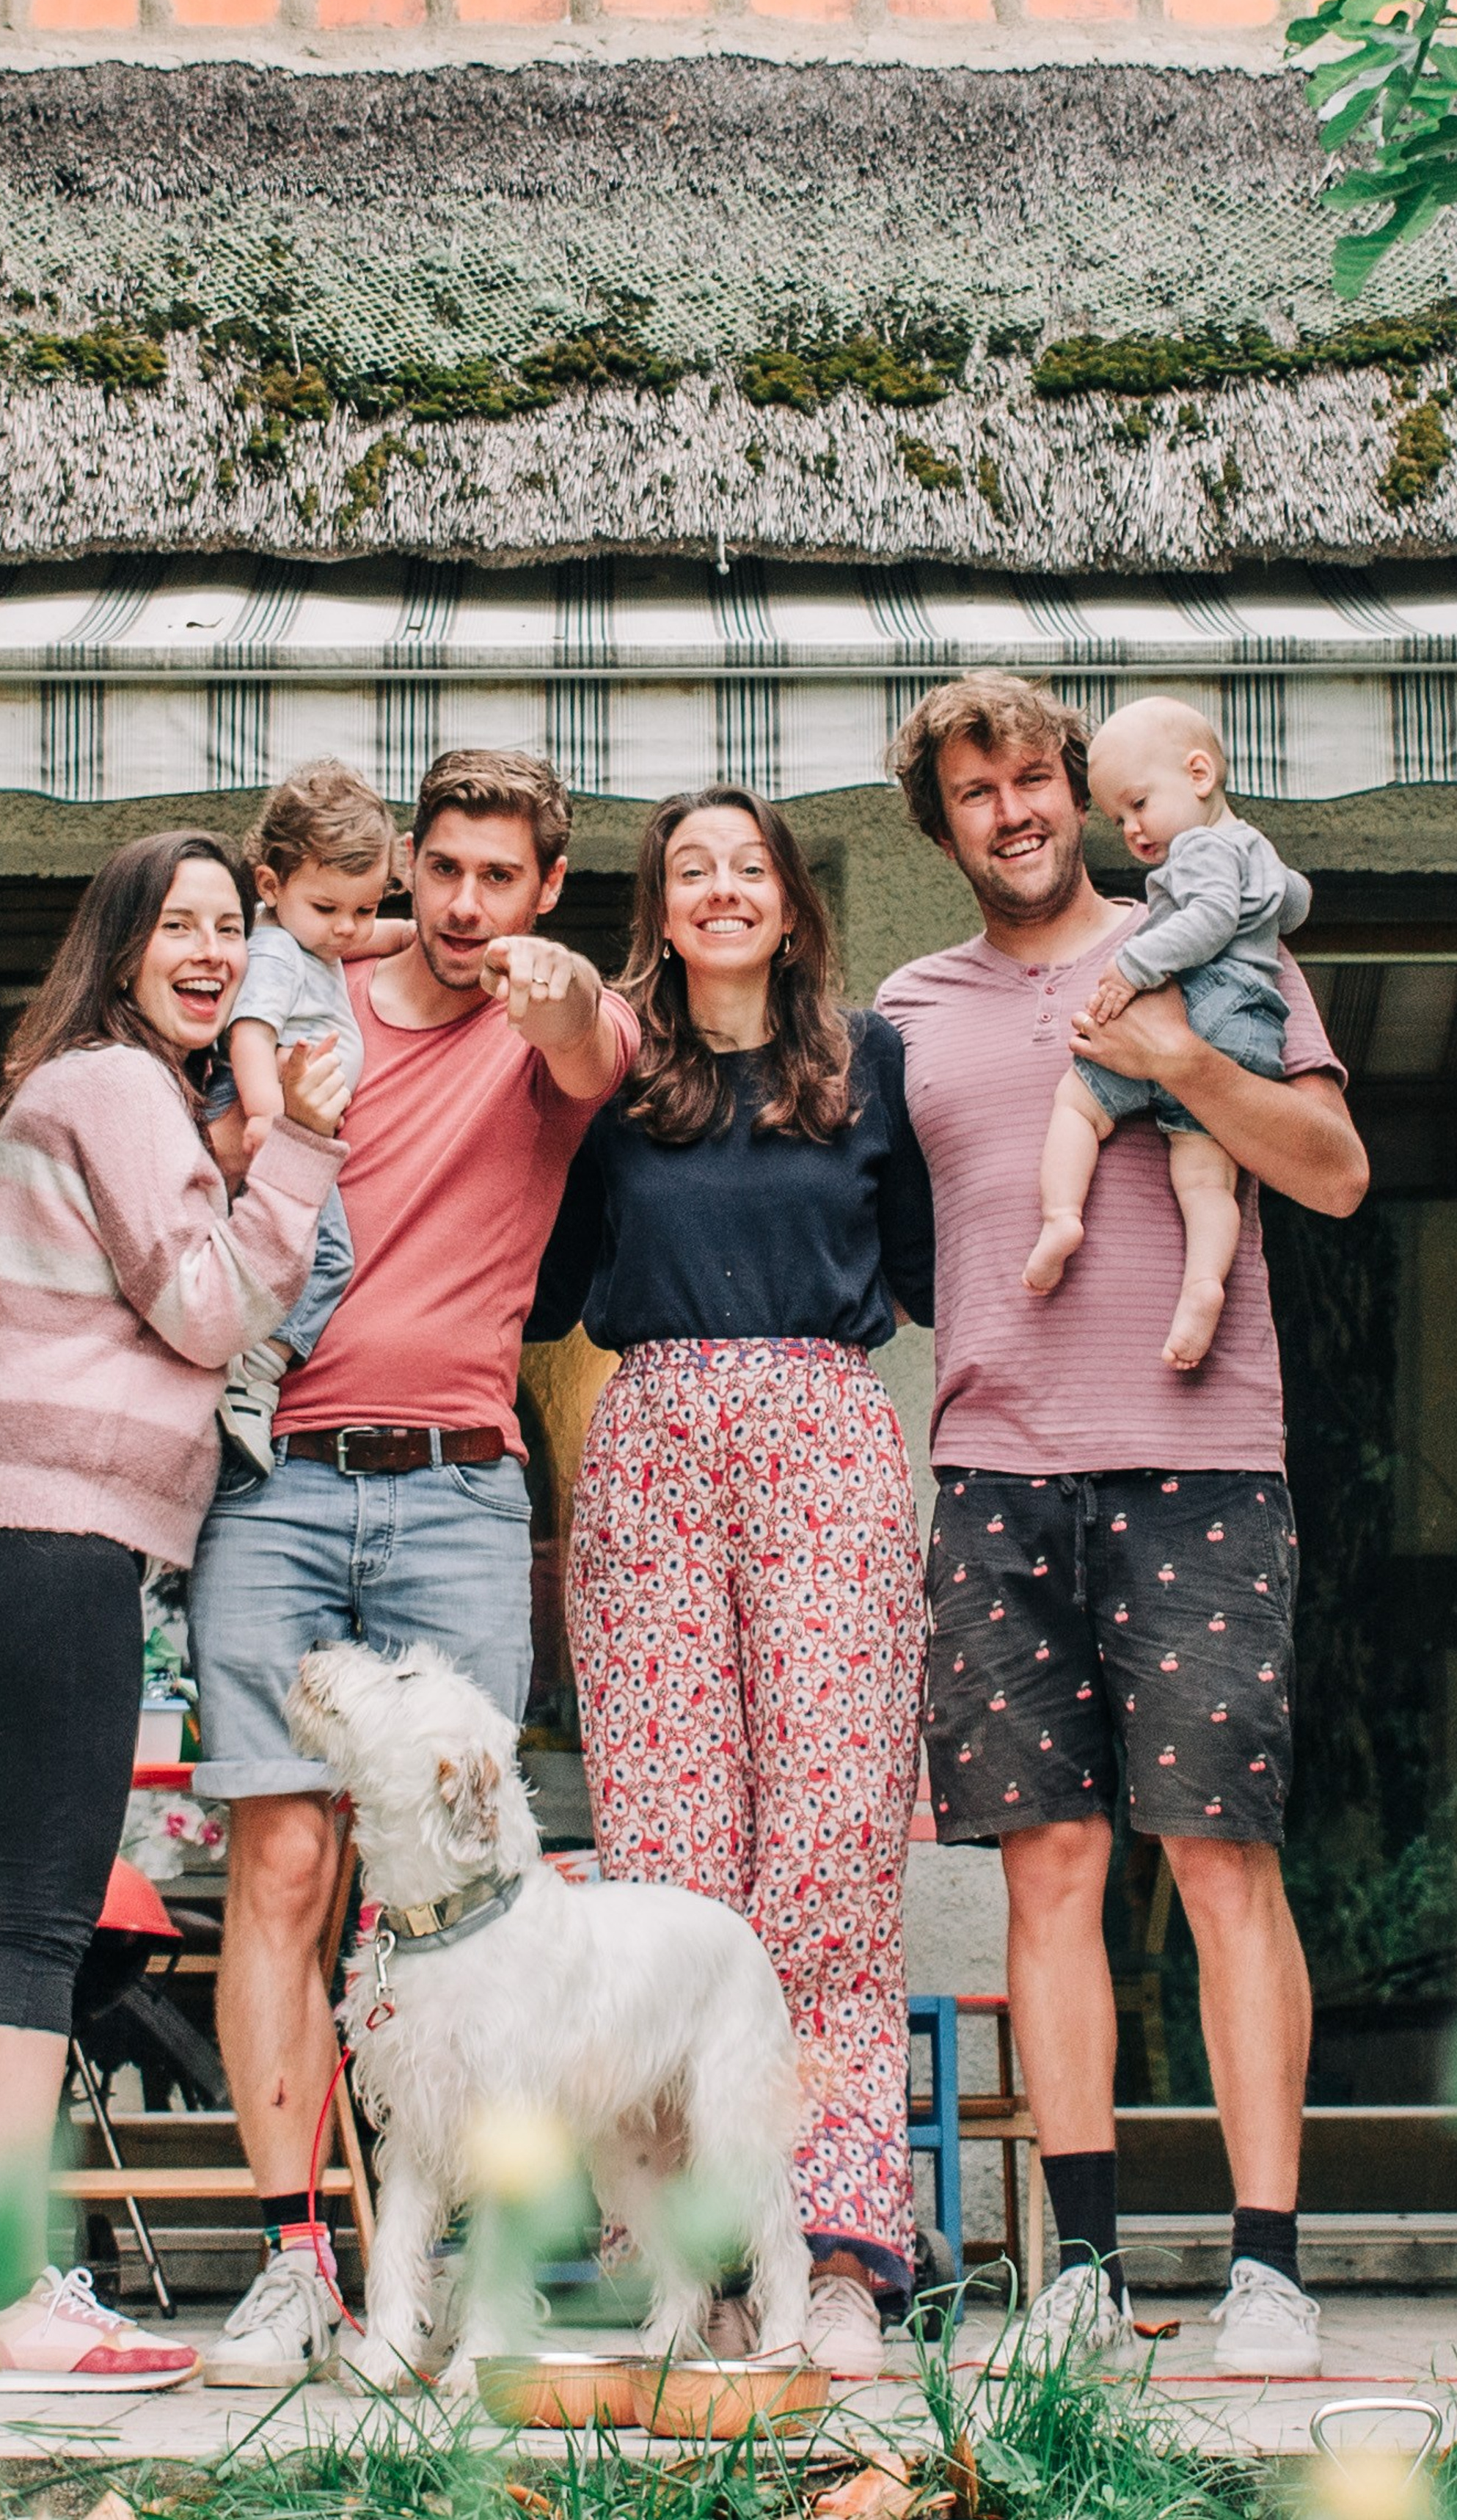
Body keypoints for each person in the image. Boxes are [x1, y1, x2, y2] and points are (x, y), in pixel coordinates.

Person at [875, 674, 1367, 2376]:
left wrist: (1166, 1056)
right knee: (1048, 1870)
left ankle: (1264, 2267)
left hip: (1199, 1461)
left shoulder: (1208, 938)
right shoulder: (904, 1008)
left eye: (1031, 775)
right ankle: (1073, 2271)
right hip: (994, 1475)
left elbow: (1329, 1167)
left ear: (1075, 789)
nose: (1010, 807)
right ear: (935, 822)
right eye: (972, 788)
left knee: (1222, 1862)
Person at [186, 748, 639, 2385]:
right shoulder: (310, 987)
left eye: (496, 881)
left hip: (457, 1498)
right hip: (274, 1487)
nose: (460, 907)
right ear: (403, 873)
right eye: (436, 873)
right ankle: (293, 2258)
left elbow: (598, 1037)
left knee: (461, 1896)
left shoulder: (551, 1035)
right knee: (284, 1878)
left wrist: (558, 985)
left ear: (541, 891)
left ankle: (447, 2273)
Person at [0, 829, 349, 2388]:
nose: (213, 951)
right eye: (181, 925)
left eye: (234, 926)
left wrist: (226, 1154)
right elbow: (210, 1305)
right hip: (52, 1543)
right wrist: (294, 1154)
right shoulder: (120, 1086)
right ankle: (11, 2290)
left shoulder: (75, 1089)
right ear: (122, 942)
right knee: (35, 1920)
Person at [530, 786, 935, 2376]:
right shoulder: (614, 1076)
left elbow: (917, 1273)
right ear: (657, 904)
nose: (717, 889)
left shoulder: (866, 1059)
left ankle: (835, 2256)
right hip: (646, 1449)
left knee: (826, 1859)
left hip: (824, 1438)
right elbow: (551, 1281)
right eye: (686, 869)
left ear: (787, 898)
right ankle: (690, 2259)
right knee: (669, 1874)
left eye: (744, 866)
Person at [1025, 697, 1314, 1371]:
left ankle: (1062, 1216)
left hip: (1200, 1001)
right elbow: (1294, 905)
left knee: (1078, 1103)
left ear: (1199, 774)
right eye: (1120, 817)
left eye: (1139, 803)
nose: (1131, 829)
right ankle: (1204, 1285)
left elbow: (1210, 919)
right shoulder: (1251, 848)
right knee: (1207, 1179)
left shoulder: (1201, 848)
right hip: (1252, 1030)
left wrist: (1132, 965)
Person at [213, 759, 414, 1473]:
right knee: (327, 1259)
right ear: (270, 884)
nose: (348, 928)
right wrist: (273, 1119)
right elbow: (248, 1034)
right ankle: (251, 1373)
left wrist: (419, 936)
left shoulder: (311, 935)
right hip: (282, 1120)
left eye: (363, 907)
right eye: (330, 909)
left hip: (297, 1124)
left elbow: (374, 938)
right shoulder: (276, 951)